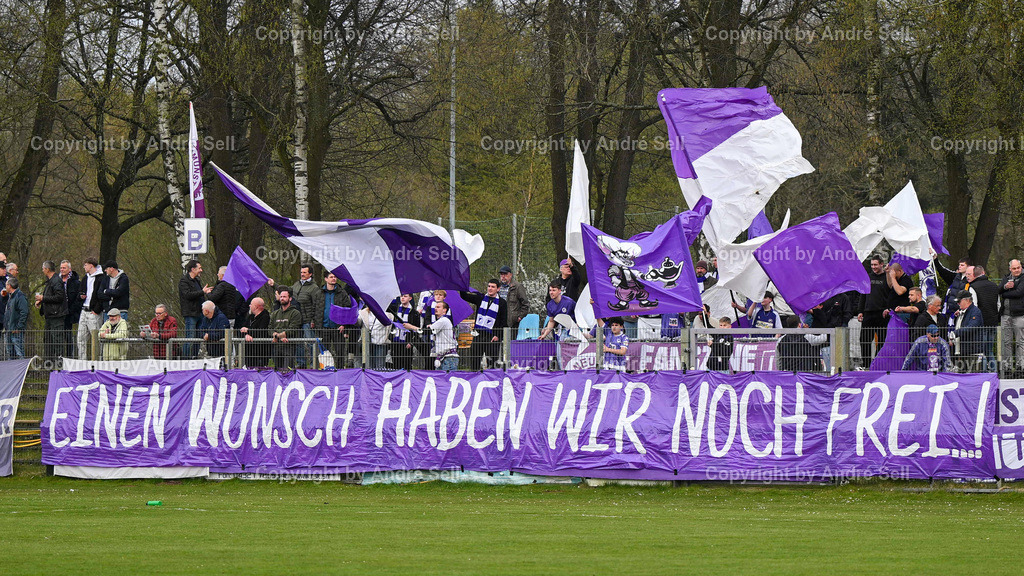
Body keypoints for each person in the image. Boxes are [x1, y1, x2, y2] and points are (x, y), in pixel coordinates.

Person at [461, 279, 508, 369]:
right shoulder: (481, 298)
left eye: (493, 287)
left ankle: (492, 381)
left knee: (491, 363)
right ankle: (474, 379)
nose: (490, 288)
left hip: (492, 337)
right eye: (489, 286)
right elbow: (464, 296)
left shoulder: (502, 303)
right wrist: (462, 284)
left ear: (498, 289)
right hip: (479, 334)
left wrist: (498, 335)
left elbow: (503, 321)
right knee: (474, 361)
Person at [858, 255, 889, 364]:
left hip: (882, 314)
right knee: (864, 340)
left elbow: (890, 295)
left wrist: (888, 308)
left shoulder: (887, 277)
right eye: (872, 265)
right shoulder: (868, 277)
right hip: (868, 313)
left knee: (881, 341)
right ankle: (866, 364)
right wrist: (860, 311)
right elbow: (863, 295)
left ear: (881, 264)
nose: (873, 267)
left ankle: (877, 363)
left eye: (875, 264)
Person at [292, 264, 324, 368]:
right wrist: (274, 285)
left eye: (305, 272)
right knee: (298, 343)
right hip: (297, 320)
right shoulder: (296, 285)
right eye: (301, 272)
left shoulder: (314, 288)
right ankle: (301, 363)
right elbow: (286, 292)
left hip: (308, 320)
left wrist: (313, 320)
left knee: (311, 343)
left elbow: (317, 305)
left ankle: (313, 364)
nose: (302, 274)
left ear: (310, 274)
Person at [36, 260, 67, 367]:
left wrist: (43, 298)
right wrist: (41, 301)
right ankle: (48, 364)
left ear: (47, 269)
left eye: (43, 268)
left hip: (56, 315)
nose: (42, 270)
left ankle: (59, 365)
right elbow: (52, 296)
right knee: (48, 340)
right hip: (49, 315)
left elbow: (59, 297)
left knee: (57, 340)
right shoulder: (50, 281)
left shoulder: (56, 281)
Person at [178, 259, 208, 359]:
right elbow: (187, 295)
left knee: (198, 338)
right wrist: (202, 292)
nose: (201, 270)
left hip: (199, 313)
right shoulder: (184, 281)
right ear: (193, 269)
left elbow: (200, 295)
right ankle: (185, 359)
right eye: (199, 268)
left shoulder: (197, 281)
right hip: (190, 313)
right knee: (190, 338)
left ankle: (194, 357)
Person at [77, 257, 105, 360]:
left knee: (95, 339)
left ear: (91, 265)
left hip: (94, 313)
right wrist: (81, 296)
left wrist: (97, 310)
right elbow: (80, 292)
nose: (84, 267)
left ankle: (97, 361)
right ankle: (82, 362)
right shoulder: (85, 278)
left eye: (85, 265)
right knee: (80, 338)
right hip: (84, 310)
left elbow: (101, 296)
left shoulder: (101, 278)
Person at [949, 290, 985, 368]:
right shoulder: (962, 312)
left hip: (973, 352)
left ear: (967, 300)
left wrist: (955, 333)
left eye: (959, 301)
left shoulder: (975, 312)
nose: (958, 304)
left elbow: (971, 327)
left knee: (973, 376)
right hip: (964, 351)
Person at [270, 287, 304, 370]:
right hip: (277, 345)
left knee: (287, 370)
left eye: (284, 297)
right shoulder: (275, 313)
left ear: (290, 298)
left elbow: (294, 328)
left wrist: (278, 336)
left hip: (289, 345)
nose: (282, 298)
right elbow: (270, 327)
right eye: (281, 296)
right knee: (277, 370)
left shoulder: (295, 313)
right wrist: (275, 335)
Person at [999, 259, 1024, 373]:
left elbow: (1019, 292)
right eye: (1014, 268)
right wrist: (1005, 287)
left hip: (1019, 314)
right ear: (1010, 269)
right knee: (1006, 342)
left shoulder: (1023, 278)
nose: (1017, 270)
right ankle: (1007, 367)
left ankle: (1020, 367)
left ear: (1021, 267)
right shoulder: (1005, 278)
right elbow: (998, 290)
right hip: (1005, 315)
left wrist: (1005, 293)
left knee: (1020, 342)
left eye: (1018, 267)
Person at [387, 293, 421, 371]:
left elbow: (416, 329)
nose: (402, 298)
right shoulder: (396, 309)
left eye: (405, 296)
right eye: (401, 296)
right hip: (395, 341)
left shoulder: (414, 313)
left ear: (410, 298)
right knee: (395, 364)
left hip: (407, 342)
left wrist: (411, 342)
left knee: (406, 364)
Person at [58, 260, 81, 359]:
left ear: (69, 269)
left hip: (69, 313)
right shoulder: (56, 281)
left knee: (68, 336)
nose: (62, 270)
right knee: (57, 336)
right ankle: (59, 358)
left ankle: (69, 357)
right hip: (58, 313)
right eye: (61, 268)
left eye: (64, 268)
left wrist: (71, 310)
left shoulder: (76, 282)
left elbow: (78, 298)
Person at [239, 297, 271, 368]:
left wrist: (248, 331)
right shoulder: (250, 317)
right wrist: (246, 335)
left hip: (260, 351)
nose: (249, 306)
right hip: (249, 352)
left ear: (256, 307)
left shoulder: (265, 317)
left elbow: (261, 331)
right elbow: (242, 329)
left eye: (251, 304)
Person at [428, 301, 459, 370]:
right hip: (443, 357)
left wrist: (411, 327)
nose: (435, 309)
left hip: (448, 358)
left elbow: (427, 331)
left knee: (448, 379)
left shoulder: (443, 320)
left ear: (444, 310)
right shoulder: (443, 321)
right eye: (435, 307)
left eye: (438, 307)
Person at [498, 265, 530, 330]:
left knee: (510, 339)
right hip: (499, 320)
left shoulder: (517, 287)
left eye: (505, 274)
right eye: (501, 274)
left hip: (512, 322)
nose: (503, 276)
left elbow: (525, 304)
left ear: (511, 275)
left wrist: (519, 317)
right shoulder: (497, 286)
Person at [3, 278, 28, 359]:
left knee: (19, 352)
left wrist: (19, 327)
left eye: (6, 285)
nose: (5, 286)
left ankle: (23, 371)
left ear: (9, 286)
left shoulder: (20, 296)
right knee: (10, 353)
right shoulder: (11, 296)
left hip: (16, 330)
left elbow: (24, 312)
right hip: (9, 329)